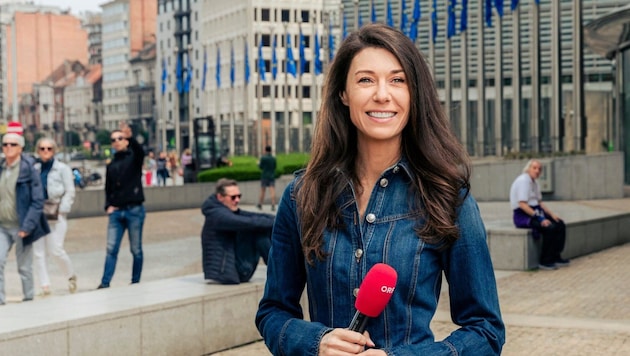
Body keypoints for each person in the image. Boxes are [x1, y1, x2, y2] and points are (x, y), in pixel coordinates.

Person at [256, 24, 505, 355]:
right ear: (343, 94)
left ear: (414, 93)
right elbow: (273, 312)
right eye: (365, 80)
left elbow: (486, 330)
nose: (382, 94)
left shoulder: (447, 197)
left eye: (397, 80)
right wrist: (316, 342)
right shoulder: (301, 196)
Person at [0, 130, 50, 305]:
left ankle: (29, 300)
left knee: (24, 267)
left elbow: (37, 201)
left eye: (13, 144)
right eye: (5, 144)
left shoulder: (28, 170)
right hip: (2, 226)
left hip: (22, 226)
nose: (8, 148)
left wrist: (27, 227)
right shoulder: (1, 167)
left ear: (20, 148)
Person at [97, 122, 146, 289]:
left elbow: (140, 152)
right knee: (111, 249)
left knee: (136, 249)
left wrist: (131, 138)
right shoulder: (111, 164)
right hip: (116, 212)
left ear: (126, 141)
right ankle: (105, 283)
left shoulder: (134, 158)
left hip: (134, 209)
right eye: (113, 139)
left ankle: (135, 282)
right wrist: (108, 206)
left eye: (120, 138)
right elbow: (108, 188)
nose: (117, 141)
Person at [200, 178, 274, 284]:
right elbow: (249, 222)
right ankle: (279, 269)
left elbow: (253, 216)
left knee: (262, 225)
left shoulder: (224, 210)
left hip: (234, 268)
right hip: (226, 272)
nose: (237, 200)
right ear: (220, 197)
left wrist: (278, 219)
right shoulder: (217, 215)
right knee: (258, 230)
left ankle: (279, 267)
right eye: (233, 197)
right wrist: (277, 222)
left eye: (239, 196)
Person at [32, 138, 77, 296]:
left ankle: (70, 276)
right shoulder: (35, 168)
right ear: (38, 150)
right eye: (42, 148)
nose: (46, 151)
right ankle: (45, 286)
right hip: (38, 212)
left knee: (55, 249)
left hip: (56, 211)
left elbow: (70, 191)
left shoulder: (62, 168)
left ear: (54, 150)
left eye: (49, 148)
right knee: (38, 252)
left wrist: (63, 209)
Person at [510, 159, 569, 270]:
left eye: (539, 169)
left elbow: (539, 203)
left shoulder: (535, 183)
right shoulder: (523, 181)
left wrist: (552, 215)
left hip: (535, 211)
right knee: (549, 228)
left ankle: (556, 256)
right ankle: (545, 260)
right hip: (523, 215)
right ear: (528, 169)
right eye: (534, 168)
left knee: (559, 224)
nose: (537, 171)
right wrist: (540, 218)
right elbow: (522, 204)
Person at [257, 145, 277, 211]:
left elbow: (261, 167)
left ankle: (260, 204)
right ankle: (273, 204)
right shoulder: (273, 158)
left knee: (263, 191)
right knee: (272, 191)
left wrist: (258, 163)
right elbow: (274, 167)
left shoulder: (263, 158)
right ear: (270, 150)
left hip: (264, 176)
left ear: (265, 150)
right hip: (271, 176)